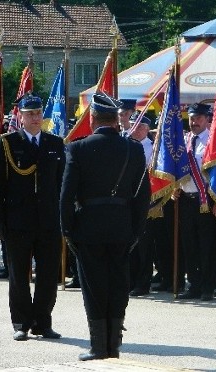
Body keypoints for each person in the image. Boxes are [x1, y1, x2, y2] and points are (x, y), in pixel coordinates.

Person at [61, 92, 150, 360]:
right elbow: (142, 195)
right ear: (115, 120)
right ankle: (114, 345)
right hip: (122, 225)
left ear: (93, 118)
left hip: (88, 226)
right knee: (119, 284)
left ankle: (99, 346)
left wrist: (68, 230)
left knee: (93, 286)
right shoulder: (133, 148)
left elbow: (66, 195)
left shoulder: (78, 148)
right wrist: (135, 229)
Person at [0, 92, 65, 341]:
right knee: (19, 274)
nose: (35, 118)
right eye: (29, 114)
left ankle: (43, 322)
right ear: (20, 116)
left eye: (37, 113)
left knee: (48, 275)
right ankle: (21, 322)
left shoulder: (54, 144)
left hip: (48, 221)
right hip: (18, 221)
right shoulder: (9, 143)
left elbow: (61, 184)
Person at [174, 102, 216, 301]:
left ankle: (208, 286)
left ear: (208, 119)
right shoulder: (183, 140)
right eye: (192, 118)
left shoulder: (214, 141)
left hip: (206, 199)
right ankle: (193, 284)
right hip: (186, 199)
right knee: (189, 244)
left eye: (199, 118)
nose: (194, 122)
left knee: (206, 245)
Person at [128, 111, 155, 296]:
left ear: (146, 129)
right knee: (130, 244)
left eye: (138, 126)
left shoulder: (151, 149)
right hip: (127, 201)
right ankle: (130, 280)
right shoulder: (128, 145)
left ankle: (143, 282)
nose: (134, 130)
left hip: (144, 200)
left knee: (144, 245)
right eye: (132, 125)